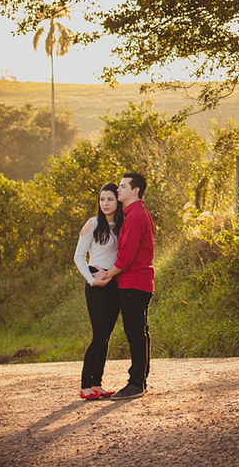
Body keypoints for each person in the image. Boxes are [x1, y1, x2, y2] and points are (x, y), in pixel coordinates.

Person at [104, 171, 155, 399]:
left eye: (123, 186)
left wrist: (108, 274)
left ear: (135, 191)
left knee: (135, 333)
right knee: (139, 332)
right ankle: (140, 380)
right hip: (137, 282)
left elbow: (127, 255)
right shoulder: (135, 213)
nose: (118, 190)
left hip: (134, 282)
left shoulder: (135, 216)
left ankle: (136, 383)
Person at [74, 182, 122, 400]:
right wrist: (92, 281)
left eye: (110, 199)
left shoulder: (122, 225)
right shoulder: (93, 223)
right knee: (99, 335)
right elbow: (78, 256)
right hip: (96, 284)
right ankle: (85, 385)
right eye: (102, 199)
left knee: (106, 336)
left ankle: (97, 384)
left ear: (117, 201)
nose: (105, 203)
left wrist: (111, 277)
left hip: (115, 283)